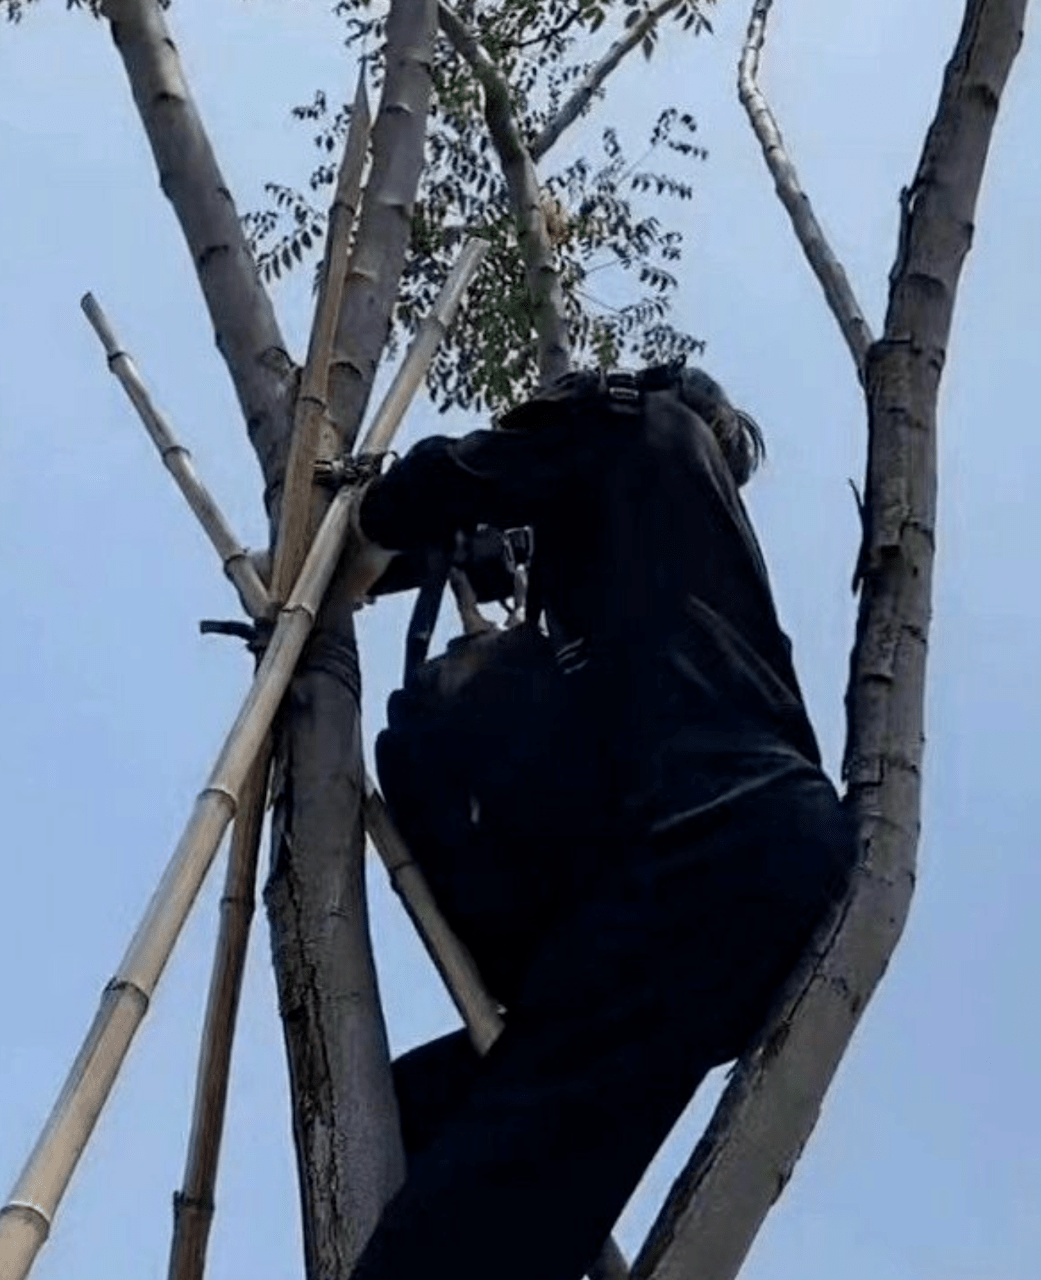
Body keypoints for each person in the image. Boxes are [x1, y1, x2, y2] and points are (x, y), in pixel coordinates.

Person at [337, 363, 856, 1280]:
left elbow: (460, 480)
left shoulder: (635, 423)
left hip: (708, 849)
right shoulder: (676, 552)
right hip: (728, 887)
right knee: (433, 1116)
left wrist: (361, 529)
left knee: (482, 1196)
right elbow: (489, 530)